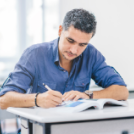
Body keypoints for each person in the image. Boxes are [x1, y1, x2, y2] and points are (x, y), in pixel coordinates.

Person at [0, 8, 129, 110]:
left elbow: (122, 91)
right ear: (60, 30)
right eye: (70, 40)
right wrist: (37, 99)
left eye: (82, 44)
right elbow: (3, 100)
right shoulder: (34, 54)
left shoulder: (91, 54)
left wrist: (87, 95)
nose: (74, 50)